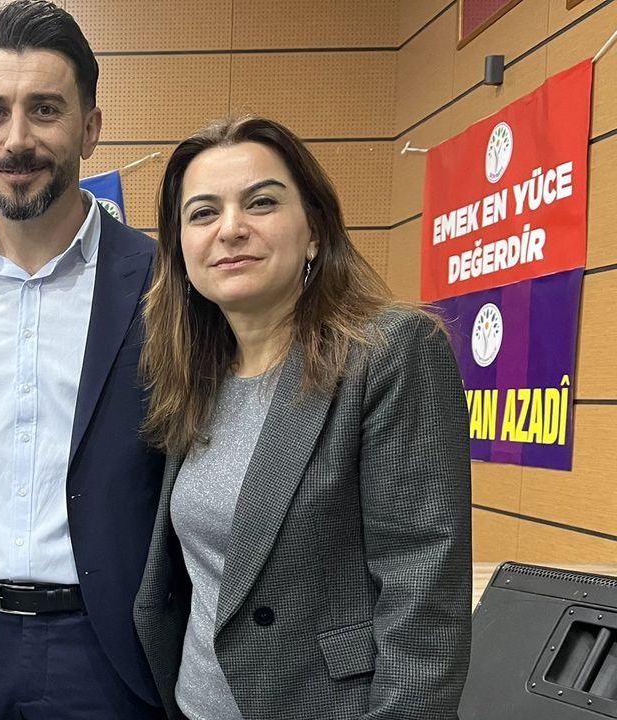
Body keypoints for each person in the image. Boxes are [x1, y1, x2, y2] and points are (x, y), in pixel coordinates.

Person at [133, 115, 471, 720]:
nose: (231, 229)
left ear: (313, 229)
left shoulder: (389, 351)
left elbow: (424, 594)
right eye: (203, 213)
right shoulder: (191, 376)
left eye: (261, 203)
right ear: (180, 250)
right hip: (193, 706)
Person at [0, 2, 164, 717]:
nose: (17, 140)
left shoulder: (163, 280)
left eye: (45, 110)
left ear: (90, 128)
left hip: (108, 646)